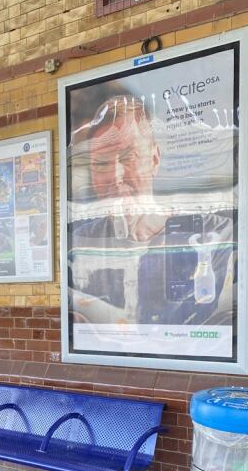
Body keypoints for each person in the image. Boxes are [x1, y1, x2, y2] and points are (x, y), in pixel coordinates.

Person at [68, 85, 234, 330]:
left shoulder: (215, 235)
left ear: (154, 159)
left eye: (128, 157)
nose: (116, 176)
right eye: (101, 163)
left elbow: (221, 322)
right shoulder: (79, 242)